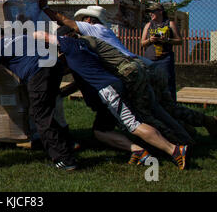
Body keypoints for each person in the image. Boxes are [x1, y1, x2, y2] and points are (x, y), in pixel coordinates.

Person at [41, 0, 217, 140]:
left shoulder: (93, 28)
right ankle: (203, 123)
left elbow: (64, 21)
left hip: (133, 70)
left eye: (81, 20)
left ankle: (180, 142)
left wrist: (45, 7)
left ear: (89, 19)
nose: (78, 25)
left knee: (145, 114)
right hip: (147, 66)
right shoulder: (105, 32)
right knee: (165, 107)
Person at [33, 30, 190, 170]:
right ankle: (137, 151)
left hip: (108, 89)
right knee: (101, 131)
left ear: (64, 37)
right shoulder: (84, 46)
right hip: (113, 84)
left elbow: (42, 36)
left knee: (133, 124)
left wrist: (25, 34)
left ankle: (174, 149)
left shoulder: (69, 43)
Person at [0, 30, 78, 171]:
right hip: (54, 65)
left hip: (38, 71)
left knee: (40, 115)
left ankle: (65, 159)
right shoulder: (21, 37)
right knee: (47, 110)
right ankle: (68, 145)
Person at [141, 2, 182, 103]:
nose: (150, 14)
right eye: (149, 12)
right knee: (150, 84)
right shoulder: (148, 25)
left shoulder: (170, 24)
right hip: (150, 59)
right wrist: (150, 40)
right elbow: (142, 43)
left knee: (168, 84)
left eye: (152, 11)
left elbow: (179, 41)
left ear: (160, 12)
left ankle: (171, 106)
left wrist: (167, 40)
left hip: (165, 59)